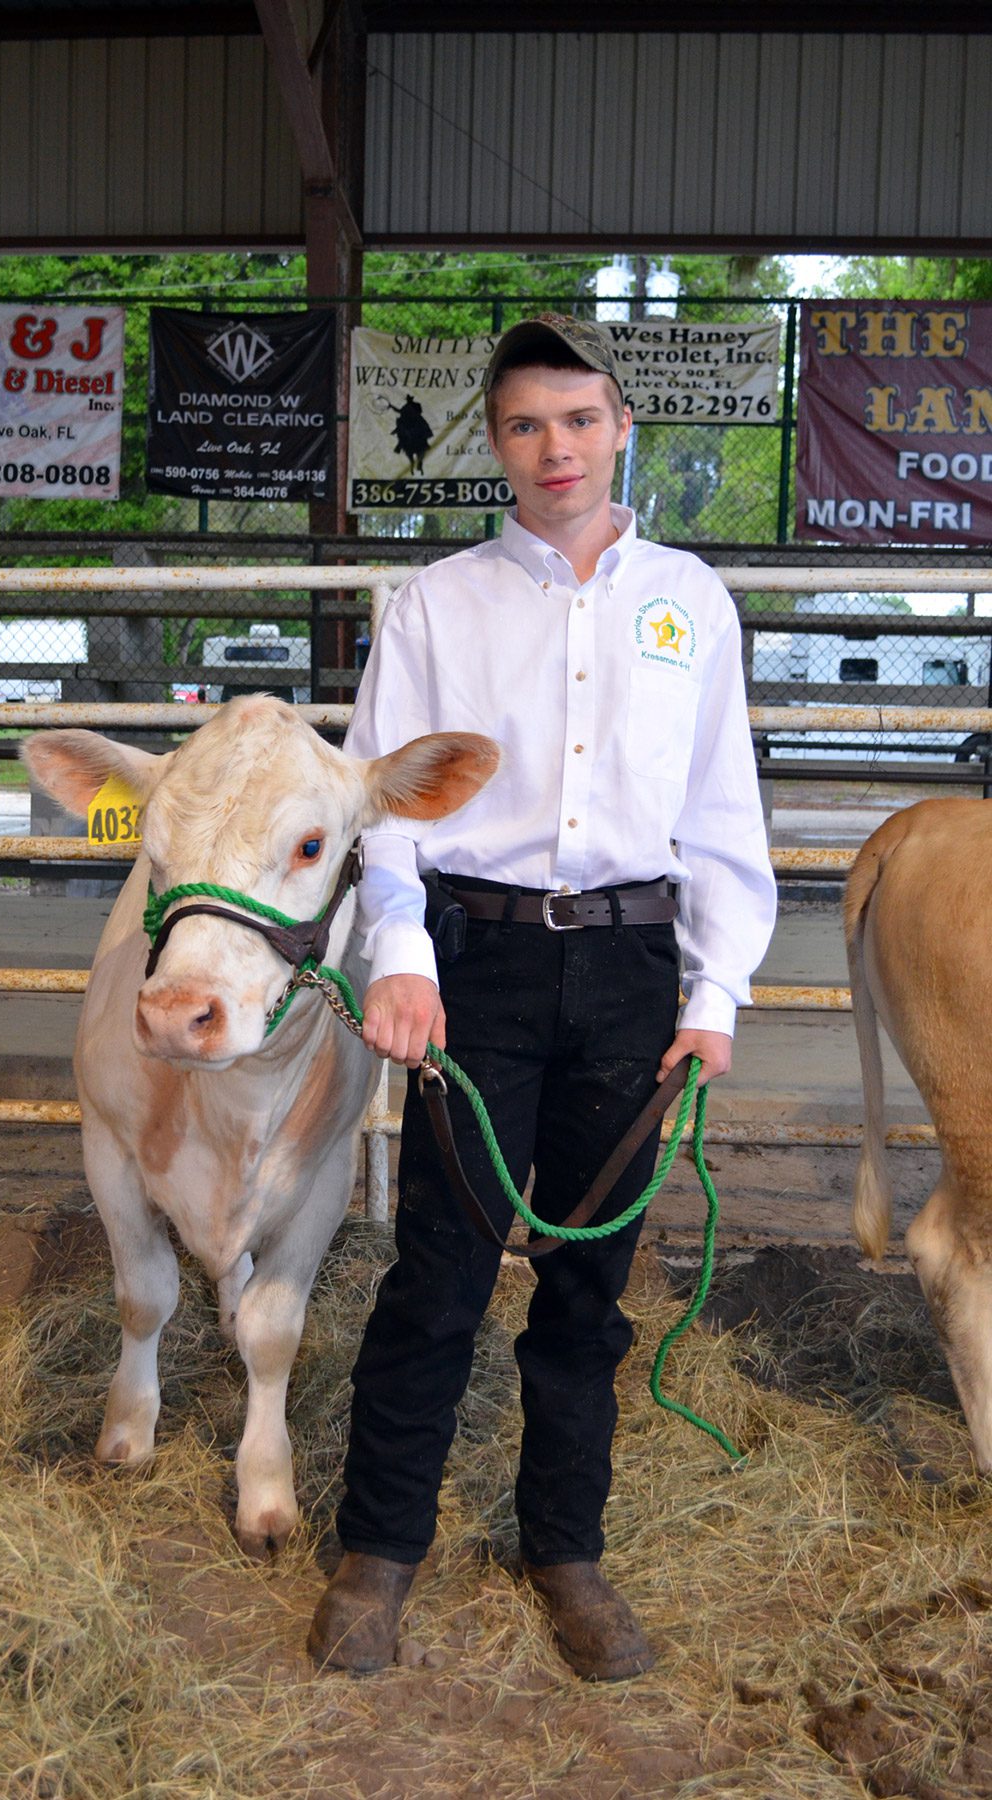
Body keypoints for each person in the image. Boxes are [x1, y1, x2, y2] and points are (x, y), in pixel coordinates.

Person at [308, 314, 777, 1681]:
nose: (554, 448)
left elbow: (722, 812)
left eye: (578, 420)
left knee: (590, 1286)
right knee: (439, 1273)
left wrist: (716, 993)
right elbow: (383, 807)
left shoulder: (690, 601)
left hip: (632, 970)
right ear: (497, 442)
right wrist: (402, 956)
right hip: (480, 966)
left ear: (622, 426)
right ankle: (379, 1551)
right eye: (525, 424)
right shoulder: (435, 606)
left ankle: (565, 1549)